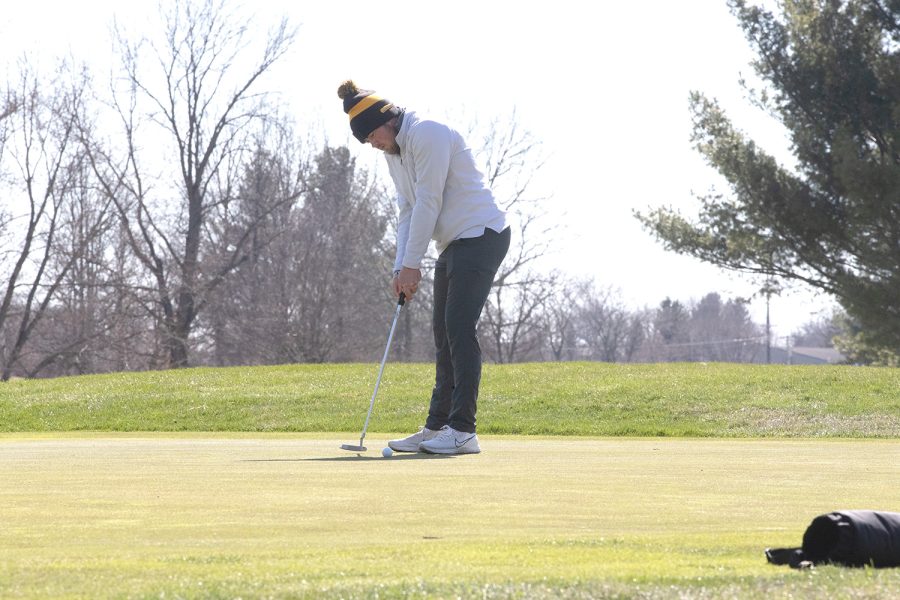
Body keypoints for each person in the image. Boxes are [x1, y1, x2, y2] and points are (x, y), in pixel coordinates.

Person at [337, 80, 510, 455]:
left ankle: (463, 430)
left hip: (482, 233)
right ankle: (437, 426)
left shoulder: (427, 133)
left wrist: (413, 266)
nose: (373, 145)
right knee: (442, 333)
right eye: (366, 142)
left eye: (372, 136)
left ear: (389, 120)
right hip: (454, 242)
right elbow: (407, 210)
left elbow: (429, 201)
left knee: (459, 328)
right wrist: (401, 268)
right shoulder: (394, 155)